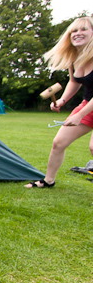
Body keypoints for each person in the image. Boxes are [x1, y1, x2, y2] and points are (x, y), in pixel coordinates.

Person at [26, 16, 93, 188]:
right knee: (58, 143)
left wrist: (80, 114)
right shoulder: (74, 58)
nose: (77, 33)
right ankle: (48, 181)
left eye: (83, 29)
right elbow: (75, 81)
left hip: (87, 108)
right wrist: (62, 100)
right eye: (74, 31)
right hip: (88, 104)